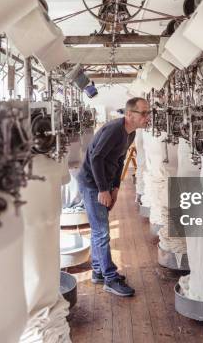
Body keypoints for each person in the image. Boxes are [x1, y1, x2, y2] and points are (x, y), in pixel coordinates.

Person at [77, 97, 150, 297]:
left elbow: (119, 158)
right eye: (143, 113)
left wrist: (116, 187)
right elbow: (96, 157)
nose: (147, 117)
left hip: (103, 183)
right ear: (129, 114)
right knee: (101, 231)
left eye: (148, 112)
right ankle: (110, 278)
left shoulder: (131, 133)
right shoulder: (114, 130)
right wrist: (102, 189)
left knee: (98, 229)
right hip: (92, 183)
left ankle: (99, 272)